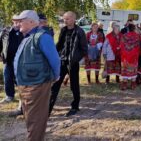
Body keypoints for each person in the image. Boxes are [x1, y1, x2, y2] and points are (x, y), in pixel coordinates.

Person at [13, 10, 60, 141]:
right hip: (27, 85)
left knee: (36, 121)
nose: (18, 23)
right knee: (31, 119)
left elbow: (55, 60)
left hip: (37, 85)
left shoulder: (42, 36)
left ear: (32, 22)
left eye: (21, 20)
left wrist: (56, 76)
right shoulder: (28, 36)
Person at [49, 11, 88, 117]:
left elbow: (84, 49)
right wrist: (55, 55)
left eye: (67, 19)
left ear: (73, 19)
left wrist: (76, 59)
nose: (65, 21)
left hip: (73, 63)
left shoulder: (79, 31)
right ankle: (48, 109)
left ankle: (75, 107)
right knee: (55, 85)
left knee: (74, 85)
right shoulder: (63, 30)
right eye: (64, 19)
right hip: (62, 61)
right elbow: (59, 45)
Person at [0, 17, 23, 104]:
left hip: (20, 60)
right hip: (7, 59)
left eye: (19, 20)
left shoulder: (24, 31)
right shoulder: (5, 31)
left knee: (19, 79)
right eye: (15, 20)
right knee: (7, 78)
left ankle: (22, 96)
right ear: (12, 21)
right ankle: (9, 96)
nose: (17, 22)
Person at [120, 24, 141, 90]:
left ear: (128, 29)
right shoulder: (137, 36)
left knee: (125, 70)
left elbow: (122, 46)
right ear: (134, 29)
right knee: (133, 70)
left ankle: (124, 85)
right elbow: (138, 47)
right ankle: (133, 85)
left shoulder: (124, 36)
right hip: (134, 56)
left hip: (125, 56)